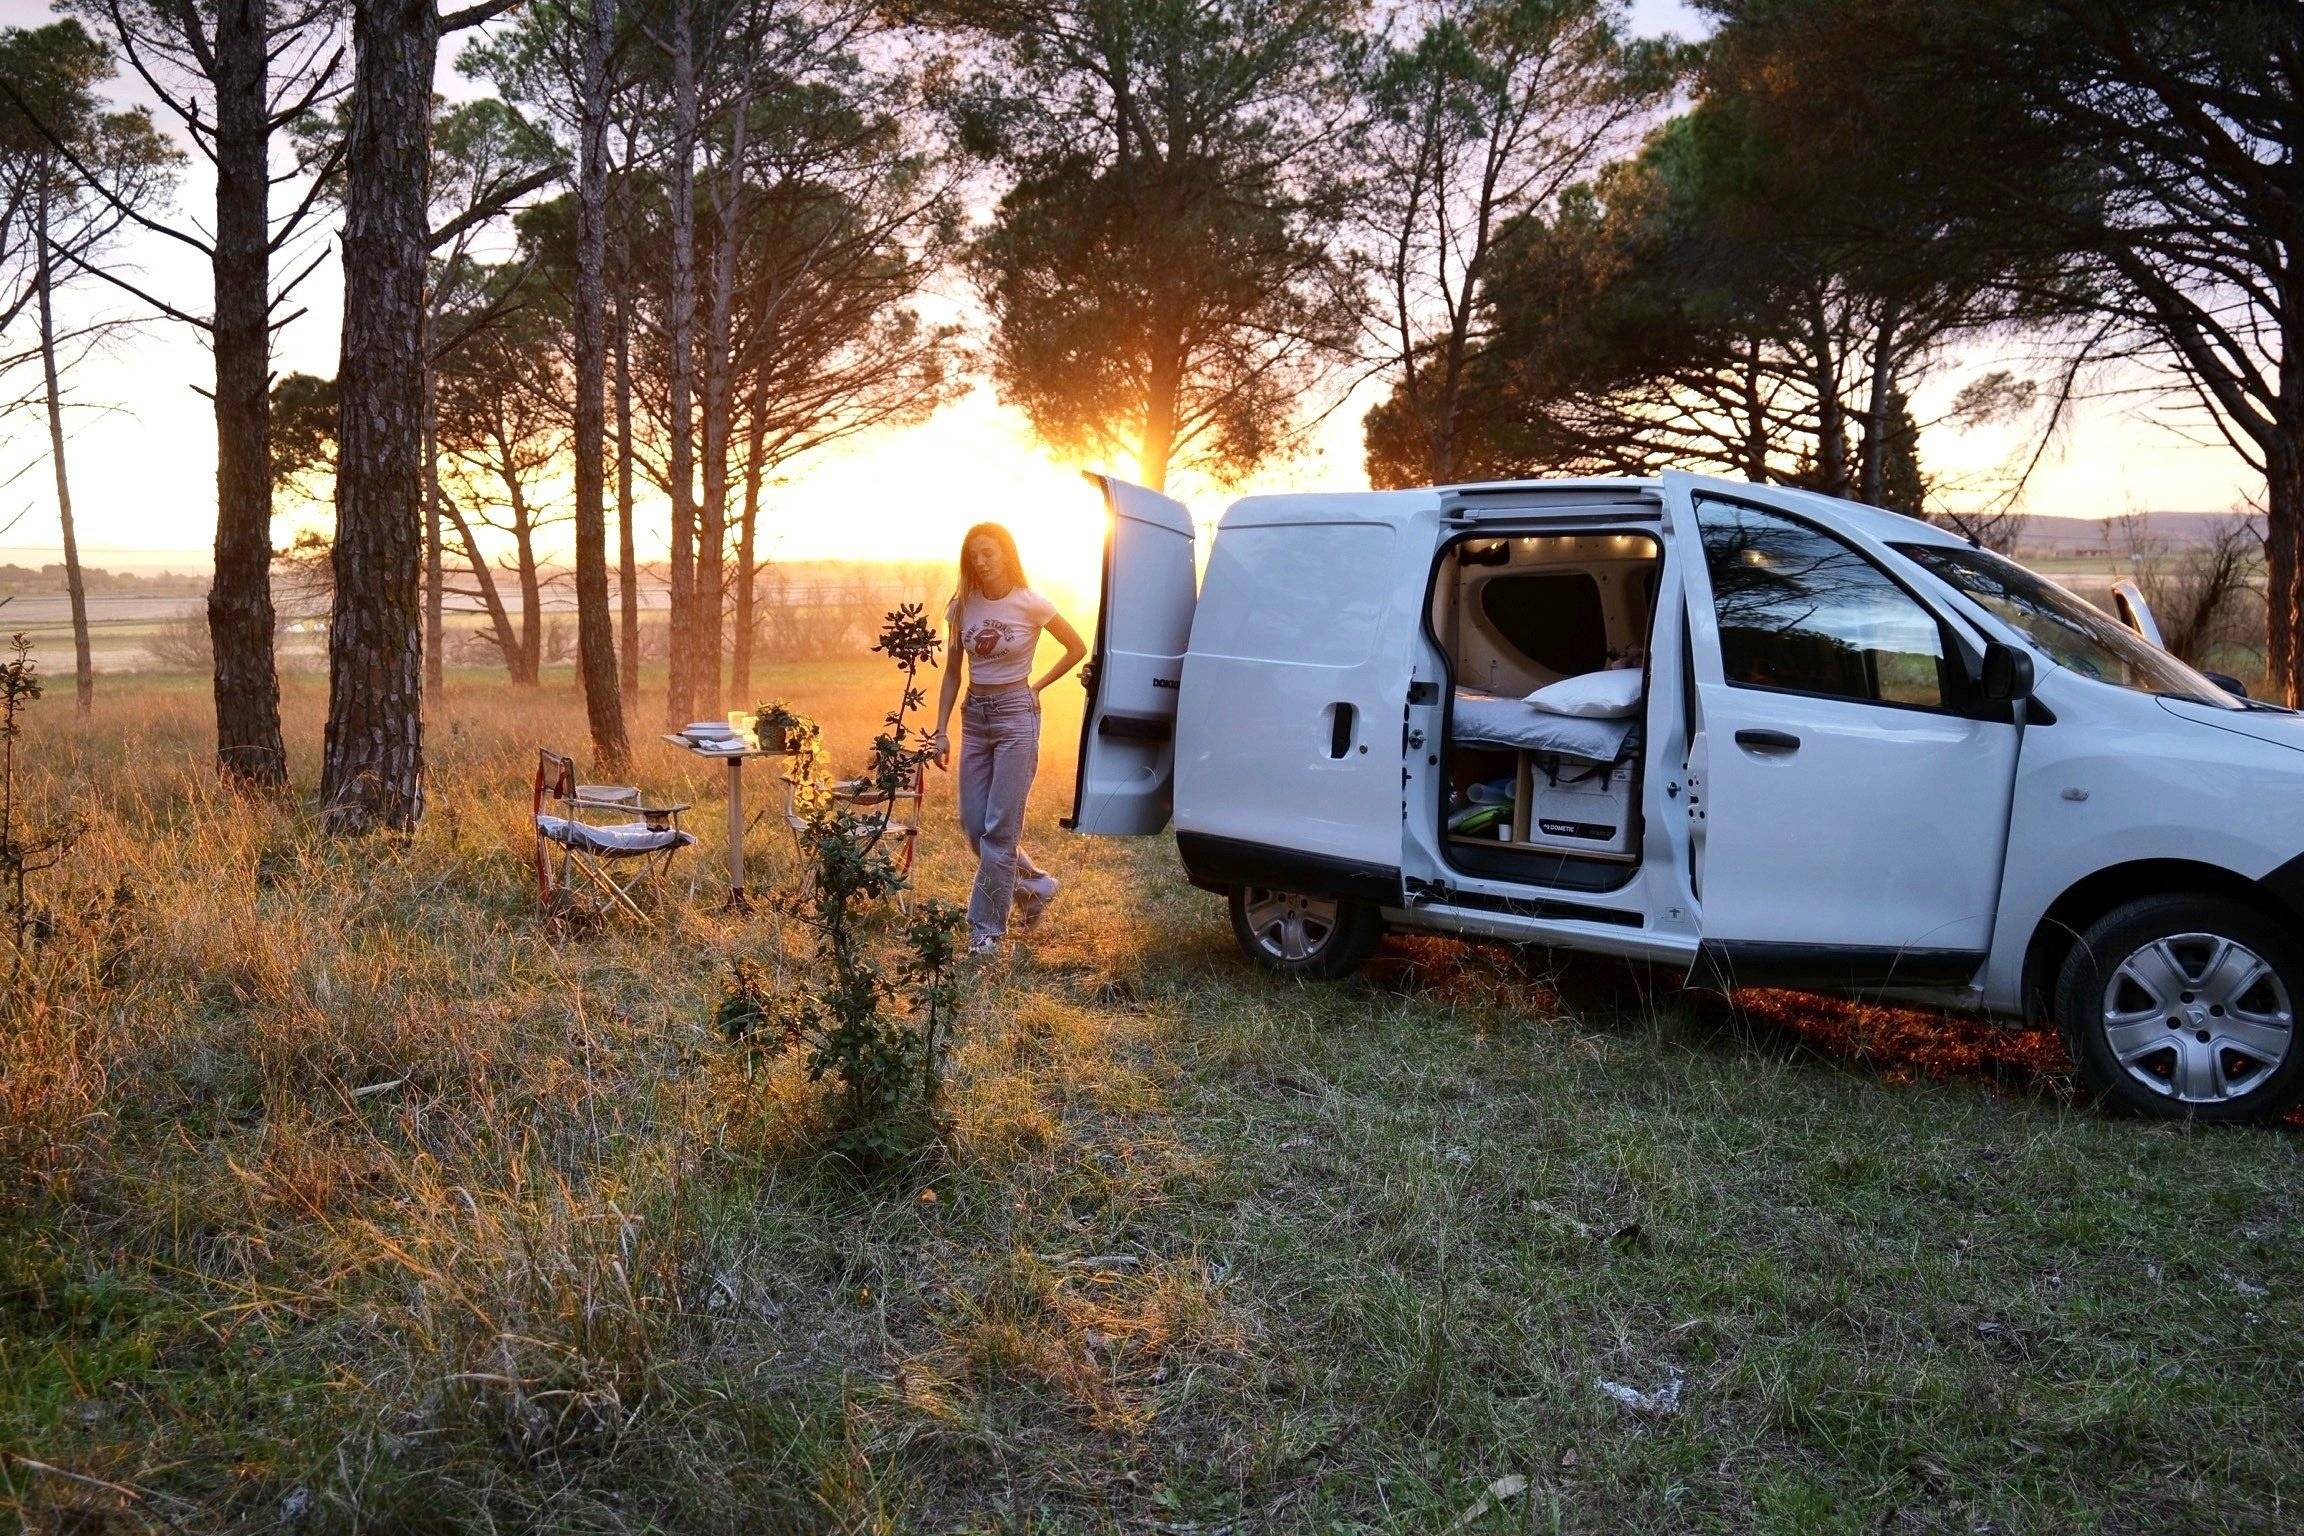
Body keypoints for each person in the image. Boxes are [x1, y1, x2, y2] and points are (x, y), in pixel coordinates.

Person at [928, 522, 1087, 956]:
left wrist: (1037, 686)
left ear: (1006, 555)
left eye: (988, 553)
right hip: (975, 716)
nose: (980, 562)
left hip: (1017, 715)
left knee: (998, 831)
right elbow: (952, 672)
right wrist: (941, 731)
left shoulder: (1030, 603)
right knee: (972, 826)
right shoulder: (962, 606)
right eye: (973, 556)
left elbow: (1076, 646)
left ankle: (985, 931)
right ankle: (1035, 884)